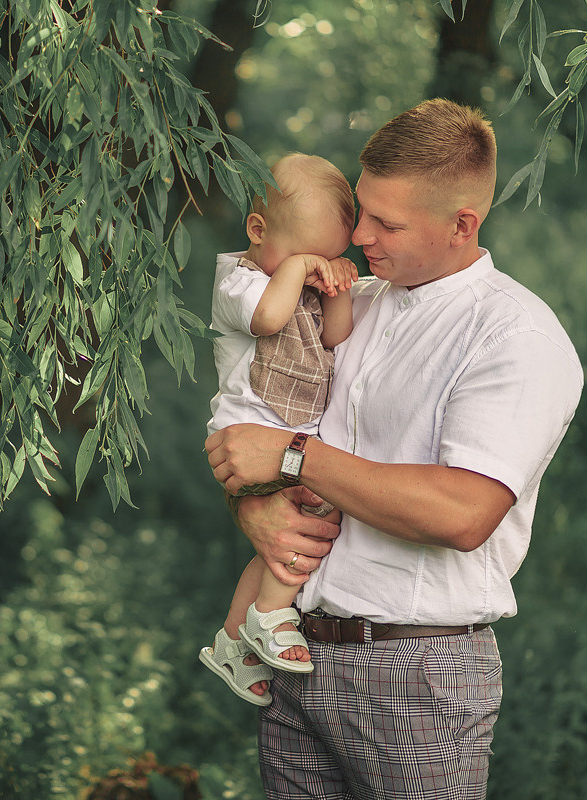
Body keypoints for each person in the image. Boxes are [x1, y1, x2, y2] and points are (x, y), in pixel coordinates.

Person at [204, 99, 584, 799]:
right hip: (292, 655)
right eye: (360, 211)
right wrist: (253, 510)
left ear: (462, 223)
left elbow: (462, 514)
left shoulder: (514, 336)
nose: (358, 236)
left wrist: (293, 457)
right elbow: (251, 426)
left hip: (416, 673)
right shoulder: (346, 303)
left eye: (387, 222)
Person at [199, 153, 358, 708]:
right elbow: (268, 319)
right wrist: (297, 271)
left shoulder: (301, 283)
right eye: (305, 255)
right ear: (257, 230)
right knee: (311, 516)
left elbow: (334, 339)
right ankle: (269, 614)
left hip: (289, 437)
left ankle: (233, 640)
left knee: (281, 539)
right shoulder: (240, 282)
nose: (315, 268)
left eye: (329, 257)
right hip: (250, 433)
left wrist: (335, 288)